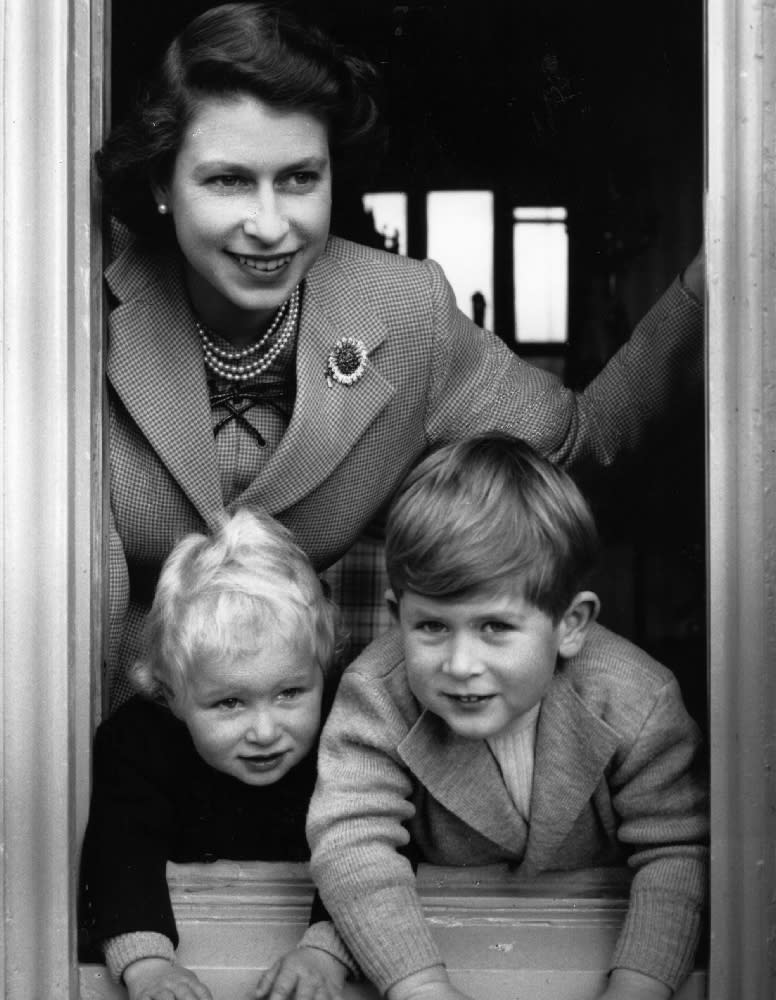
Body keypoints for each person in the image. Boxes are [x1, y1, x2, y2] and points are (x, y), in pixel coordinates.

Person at [99, 1, 705, 708]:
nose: (269, 225)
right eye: (227, 180)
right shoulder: (77, 299)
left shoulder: (404, 310)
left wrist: (707, 288)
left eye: (299, 178)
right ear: (160, 187)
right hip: (87, 749)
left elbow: (584, 446)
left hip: (299, 752)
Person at [307, 434, 708, 1000]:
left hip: (595, 952)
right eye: (432, 626)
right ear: (396, 616)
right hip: (443, 947)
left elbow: (678, 850)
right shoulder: (377, 695)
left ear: (570, 623)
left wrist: (638, 987)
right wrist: (419, 987)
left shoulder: (635, 697)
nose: (460, 663)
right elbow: (352, 839)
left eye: (494, 627)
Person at [79, 509, 355, 1000]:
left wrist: (327, 950)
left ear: (323, 669)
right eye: (230, 702)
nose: (266, 731)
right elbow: (119, 852)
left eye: (291, 692)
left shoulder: (347, 727)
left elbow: (367, 844)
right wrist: (147, 966)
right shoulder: (139, 742)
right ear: (170, 695)